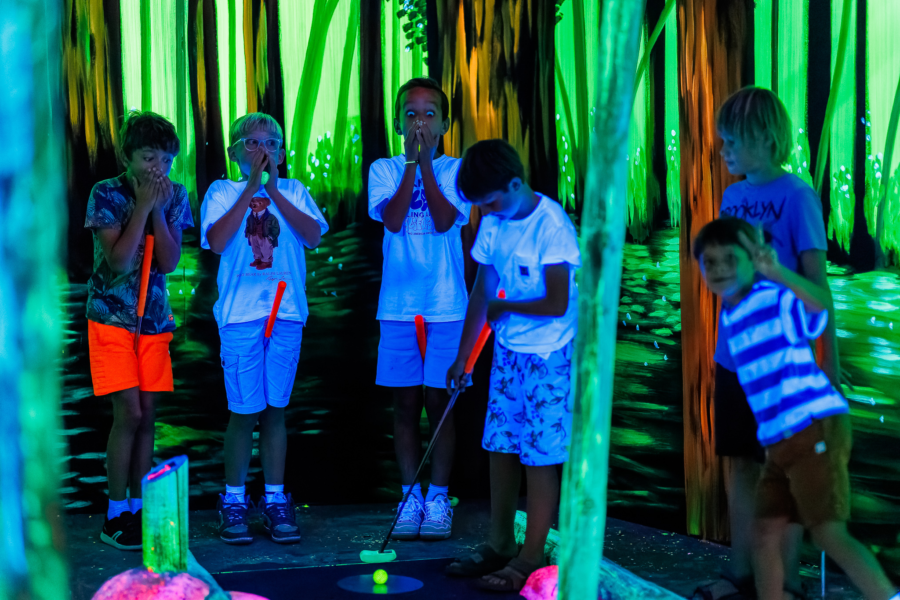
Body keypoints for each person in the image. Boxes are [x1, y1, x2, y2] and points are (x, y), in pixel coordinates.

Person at [693, 217, 899, 600]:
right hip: (780, 440)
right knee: (766, 531)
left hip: (813, 425)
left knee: (827, 532)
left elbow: (819, 306)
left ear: (752, 260)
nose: (719, 269)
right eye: (710, 262)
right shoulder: (731, 316)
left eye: (729, 259)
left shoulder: (772, 299)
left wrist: (779, 272)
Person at [696, 86, 839, 600]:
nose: (724, 149)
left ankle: (788, 580)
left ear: (762, 136)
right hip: (735, 356)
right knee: (740, 462)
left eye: (731, 139)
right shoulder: (732, 198)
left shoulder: (799, 196)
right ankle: (742, 572)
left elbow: (819, 290)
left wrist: (830, 366)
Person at [445, 139, 580, 592]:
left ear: (515, 184)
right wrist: (464, 357)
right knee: (500, 445)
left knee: (540, 456)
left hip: (549, 355)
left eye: (492, 201)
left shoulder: (551, 224)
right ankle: (499, 540)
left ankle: (530, 556)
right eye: (481, 206)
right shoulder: (494, 223)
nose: (489, 211)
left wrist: (511, 310)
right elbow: (482, 294)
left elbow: (559, 301)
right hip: (507, 353)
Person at [201, 112, 328, 544]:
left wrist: (272, 188)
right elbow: (217, 242)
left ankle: (275, 499)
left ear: (281, 152)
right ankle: (234, 499)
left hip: (286, 313)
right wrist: (252, 190)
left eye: (271, 143)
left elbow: (312, 236)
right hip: (240, 315)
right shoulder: (222, 192)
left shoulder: (293, 190)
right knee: (243, 411)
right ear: (235, 152)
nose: (262, 151)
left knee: (276, 409)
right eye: (252, 144)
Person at [85, 110, 193, 550]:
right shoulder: (106, 194)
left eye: (166, 160)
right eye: (150, 157)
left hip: (153, 322)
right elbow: (119, 261)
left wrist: (160, 212)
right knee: (127, 413)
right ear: (128, 156)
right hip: (111, 318)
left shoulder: (177, 195)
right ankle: (115, 511)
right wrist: (144, 206)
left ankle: (138, 505)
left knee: (148, 415)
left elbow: (168, 262)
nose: (159, 169)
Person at [368, 77, 470, 540]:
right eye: (411, 114)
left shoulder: (457, 169)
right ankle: (409, 496)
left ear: (446, 123)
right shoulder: (384, 169)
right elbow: (391, 220)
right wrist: (412, 162)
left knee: (441, 404)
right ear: (396, 122)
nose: (420, 122)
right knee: (405, 404)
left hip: (447, 306)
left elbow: (447, 219)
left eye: (430, 114)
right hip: (398, 306)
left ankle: (438, 497)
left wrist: (427, 163)